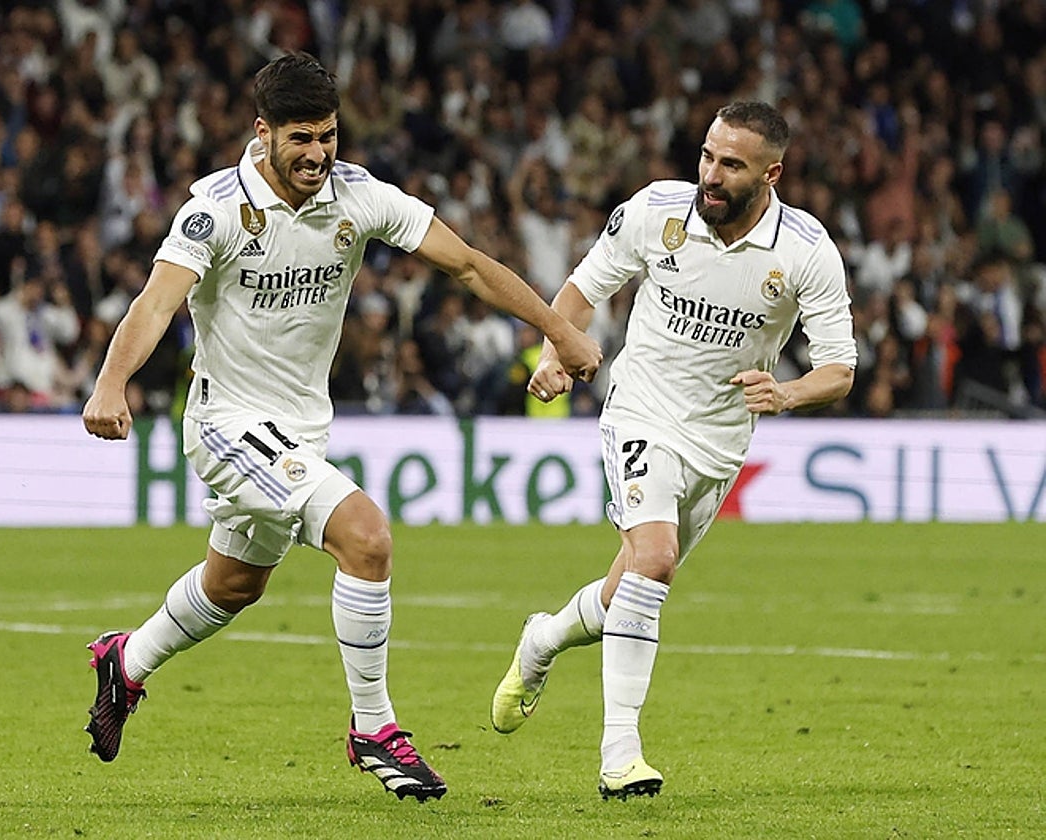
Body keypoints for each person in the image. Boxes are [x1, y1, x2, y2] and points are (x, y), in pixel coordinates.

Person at [80, 52, 602, 802]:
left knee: (234, 585)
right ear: (263, 134)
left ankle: (125, 662)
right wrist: (110, 382)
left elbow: (469, 267)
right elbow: (157, 303)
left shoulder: (360, 196)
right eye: (301, 138)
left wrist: (561, 330)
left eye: (328, 135)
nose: (318, 154)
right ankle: (374, 730)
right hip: (227, 424)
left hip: (298, 430)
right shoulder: (216, 210)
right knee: (367, 536)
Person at [490, 101, 857, 799]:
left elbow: (839, 368)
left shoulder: (806, 251)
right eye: (707, 157)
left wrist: (787, 394)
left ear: (772, 173)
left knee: (626, 589)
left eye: (731, 166)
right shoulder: (657, 211)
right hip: (641, 412)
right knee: (654, 562)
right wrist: (553, 354)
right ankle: (619, 756)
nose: (710, 176)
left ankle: (542, 639)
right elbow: (581, 290)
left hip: (719, 444)